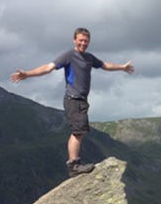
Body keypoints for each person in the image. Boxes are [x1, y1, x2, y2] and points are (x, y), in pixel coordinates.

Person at [10, 27, 134, 177]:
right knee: (78, 132)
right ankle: (74, 165)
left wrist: (122, 67)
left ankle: (74, 164)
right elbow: (49, 67)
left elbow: (105, 65)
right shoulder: (69, 56)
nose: (83, 43)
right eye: (80, 40)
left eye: (86, 41)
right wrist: (27, 74)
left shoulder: (89, 57)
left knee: (79, 132)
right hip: (73, 99)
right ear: (74, 40)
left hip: (82, 100)